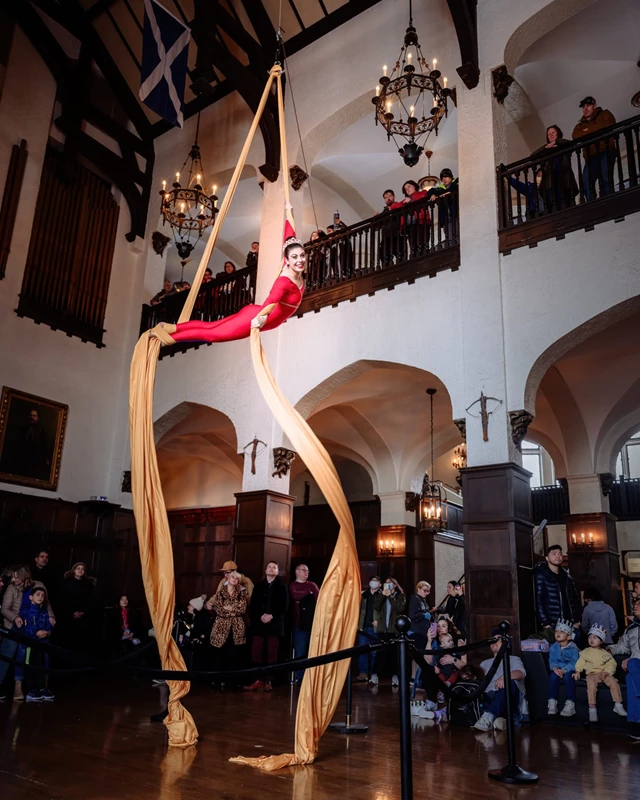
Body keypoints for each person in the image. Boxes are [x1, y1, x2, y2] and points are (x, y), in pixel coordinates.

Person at [164, 239, 305, 344]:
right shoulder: (284, 281)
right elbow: (270, 302)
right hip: (254, 317)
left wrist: (288, 209)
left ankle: (170, 328)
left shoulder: (298, 276)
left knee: (211, 326)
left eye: (302, 255)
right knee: (212, 334)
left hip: (254, 312)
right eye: (294, 257)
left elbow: (289, 234)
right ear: (286, 259)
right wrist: (259, 319)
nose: (300, 260)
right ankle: (167, 338)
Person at [0, 566, 53, 702]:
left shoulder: (39, 585)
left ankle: (41, 686)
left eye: (16, 577)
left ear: (24, 576)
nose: (13, 579)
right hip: (15, 626)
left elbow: (47, 606)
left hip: (36, 626)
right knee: (10, 649)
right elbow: (5, 609)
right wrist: (15, 618)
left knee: (44, 651)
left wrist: (51, 619)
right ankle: (12, 685)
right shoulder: (12, 588)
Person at [245, 561, 288, 692]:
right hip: (259, 624)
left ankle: (269, 681)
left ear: (277, 571)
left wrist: (272, 616)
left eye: (274, 567)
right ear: (265, 570)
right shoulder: (258, 586)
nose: (271, 569)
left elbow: (284, 606)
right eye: (269, 566)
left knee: (272, 652)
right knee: (256, 651)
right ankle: (258, 680)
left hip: (274, 625)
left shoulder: (282, 587)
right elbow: (254, 605)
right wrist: (260, 616)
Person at [473, 632, 527, 731]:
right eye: (493, 639)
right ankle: (499, 721)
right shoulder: (484, 663)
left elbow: (521, 673)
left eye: (498, 639)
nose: (495, 642)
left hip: (508, 699)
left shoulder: (514, 659)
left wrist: (504, 677)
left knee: (509, 683)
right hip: (488, 698)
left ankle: (489, 717)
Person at [573, 623, 626, 723]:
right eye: (590, 637)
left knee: (614, 683)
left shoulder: (605, 653)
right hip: (592, 674)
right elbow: (580, 662)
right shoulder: (586, 652)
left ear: (601, 641)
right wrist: (577, 671)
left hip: (604, 673)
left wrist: (607, 672)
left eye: (595, 638)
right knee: (591, 687)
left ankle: (618, 704)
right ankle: (592, 708)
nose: (591, 640)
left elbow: (612, 664)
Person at [572, 96, 617, 201]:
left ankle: (608, 201)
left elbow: (609, 124)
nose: (585, 109)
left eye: (588, 106)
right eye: (583, 107)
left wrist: (587, 131)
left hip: (605, 151)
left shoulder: (605, 114)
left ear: (594, 106)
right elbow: (575, 136)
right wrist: (596, 129)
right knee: (586, 181)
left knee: (605, 178)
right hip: (590, 156)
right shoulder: (579, 125)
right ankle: (592, 202)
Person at [608, 597, 640, 740]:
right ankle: (636, 723)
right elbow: (622, 646)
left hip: (636, 663)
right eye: (635, 604)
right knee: (629, 676)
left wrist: (634, 659)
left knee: (632, 664)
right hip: (636, 667)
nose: (635, 606)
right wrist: (609, 649)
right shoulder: (631, 628)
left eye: (639, 604)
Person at [15, 585, 54, 703]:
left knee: (41, 665)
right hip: (29, 644)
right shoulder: (25, 610)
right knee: (29, 665)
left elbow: (48, 624)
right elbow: (24, 627)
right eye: (38, 595)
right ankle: (31, 689)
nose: (41, 597)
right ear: (31, 597)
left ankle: (41, 687)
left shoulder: (43, 611)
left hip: (41, 644)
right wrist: (36, 632)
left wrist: (47, 632)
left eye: (43, 595)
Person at [534, 544, 581, 640]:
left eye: (560, 554)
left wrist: (577, 620)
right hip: (552, 622)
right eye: (554, 554)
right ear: (547, 558)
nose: (558, 556)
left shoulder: (567, 576)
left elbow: (575, 600)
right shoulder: (541, 575)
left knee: (573, 649)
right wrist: (545, 623)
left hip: (569, 622)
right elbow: (538, 600)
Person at [211, 571, 247, 689]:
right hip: (221, 626)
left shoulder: (242, 592)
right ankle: (217, 681)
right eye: (232, 577)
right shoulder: (221, 591)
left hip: (236, 627)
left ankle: (231, 682)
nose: (234, 580)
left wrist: (229, 609)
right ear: (227, 578)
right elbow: (219, 609)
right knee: (220, 654)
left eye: (237, 578)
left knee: (234, 654)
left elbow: (242, 608)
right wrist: (233, 610)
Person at [530, 125, 578, 213]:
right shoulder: (546, 150)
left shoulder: (563, 146)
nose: (551, 135)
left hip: (564, 180)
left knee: (565, 203)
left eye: (553, 133)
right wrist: (546, 147)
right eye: (549, 134)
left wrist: (557, 141)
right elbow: (532, 156)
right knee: (553, 205)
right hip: (549, 183)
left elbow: (573, 144)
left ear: (558, 133)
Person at [371, 576, 406, 686]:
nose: (388, 585)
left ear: (395, 585)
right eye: (386, 583)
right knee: (379, 654)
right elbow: (376, 606)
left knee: (394, 655)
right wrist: (383, 595)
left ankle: (395, 677)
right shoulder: (382, 595)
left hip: (394, 630)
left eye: (390, 583)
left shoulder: (400, 596)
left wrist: (390, 596)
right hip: (383, 630)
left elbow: (400, 608)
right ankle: (375, 675)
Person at [288, 564, 320, 684]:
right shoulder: (292, 585)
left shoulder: (312, 585)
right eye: (304, 570)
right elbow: (294, 595)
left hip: (312, 623)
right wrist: (308, 593)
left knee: (313, 651)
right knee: (300, 651)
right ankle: (299, 677)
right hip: (298, 623)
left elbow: (319, 598)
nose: (306, 573)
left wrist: (305, 595)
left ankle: (312, 678)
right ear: (297, 571)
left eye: (307, 571)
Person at [58, 562, 97, 652]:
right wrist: (71, 613)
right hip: (68, 617)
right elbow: (62, 601)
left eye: (82, 569)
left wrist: (84, 612)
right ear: (74, 570)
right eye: (78, 568)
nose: (80, 570)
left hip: (84, 617)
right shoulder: (66, 584)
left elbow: (91, 601)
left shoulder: (89, 585)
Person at [547, 619, 580, 717]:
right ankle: (552, 702)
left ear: (569, 636)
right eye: (557, 631)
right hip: (558, 669)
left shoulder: (573, 648)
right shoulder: (554, 647)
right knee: (552, 677)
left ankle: (570, 703)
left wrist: (564, 670)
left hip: (569, 669)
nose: (558, 633)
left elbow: (574, 663)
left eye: (562, 632)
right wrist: (555, 669)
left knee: (568, 677)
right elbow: (552, 660)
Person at [391, 180, 431, 257]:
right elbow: (393, 207)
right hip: (410, 226)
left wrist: (411, 200)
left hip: (421, 222)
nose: (407, 189)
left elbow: (423, 197)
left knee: (423, 242)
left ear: (414, 186)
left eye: (409, 187)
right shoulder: (405, 200)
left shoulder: (422, 193)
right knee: (413, 246)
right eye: (406, 189)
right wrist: (403, 203)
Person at [356, 576, 383, 683]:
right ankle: (363, 673)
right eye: (372, 581)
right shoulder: (363, 595)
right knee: (362, 651)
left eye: (376, 581)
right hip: (363, 626)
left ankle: (374, 674)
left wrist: (379, 622)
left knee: (374, 652)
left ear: (380, 584)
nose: (373, 583)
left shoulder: (382, 596)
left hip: (376, 628)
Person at [426, 169, 459, 244]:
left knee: (457, 232)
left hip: (455, 213)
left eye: (446, 177)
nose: (444, 180)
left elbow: (455, 187)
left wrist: (448, 192)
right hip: (445, 216)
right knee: (449, 235)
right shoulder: (440, 188)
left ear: (450, 177)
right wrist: (433, 194)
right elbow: (430, 191)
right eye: (442, 178)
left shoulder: (456, 183)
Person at [378, 189, 402, 266]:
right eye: (385, 197)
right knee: (384, 255)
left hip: (397, 235)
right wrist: (375, 219)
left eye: (390, 196)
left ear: (394, 197)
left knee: (400, 254)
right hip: (386, 237)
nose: (388, 198)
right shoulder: (384, 211)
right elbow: (377, 227)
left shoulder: (399, 206)